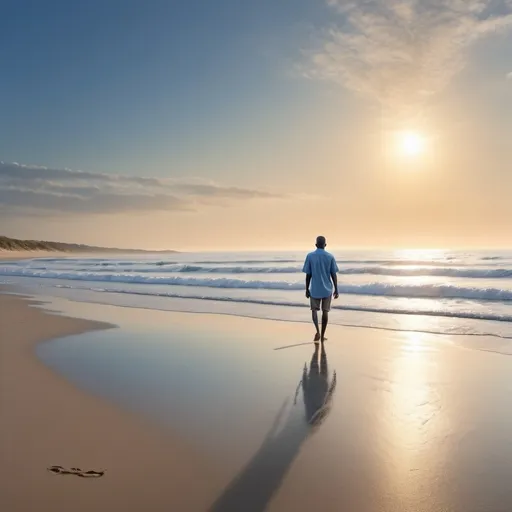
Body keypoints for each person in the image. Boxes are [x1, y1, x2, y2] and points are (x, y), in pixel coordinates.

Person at [302, 236, 339, 343]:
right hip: (327, 289)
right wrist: (336, 289)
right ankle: (322, 336)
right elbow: (333, 274)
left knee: (314, 311)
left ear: (316, 245)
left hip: (314, 289)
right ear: (325, 245)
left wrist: (307, 289)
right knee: (325, 311)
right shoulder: (330, 256)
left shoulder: (310, 256)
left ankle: (317, 331)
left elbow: (308, 275)